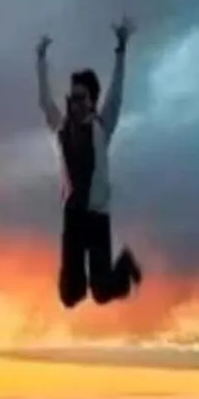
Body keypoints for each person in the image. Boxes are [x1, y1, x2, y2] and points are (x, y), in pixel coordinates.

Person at [37, 21, 143, 309]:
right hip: (72, 217)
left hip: (97, 217)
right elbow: (45, 103)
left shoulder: (101, 127)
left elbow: (117, 96)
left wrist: (121, 50)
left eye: (81, 98)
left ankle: (125, 264)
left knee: (101, 292)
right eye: (72, 98)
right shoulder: (62, 128)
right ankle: (76, 280)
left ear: (92, 101)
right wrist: (41, 61)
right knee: (70, 296)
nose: (75, 104)